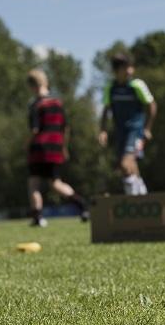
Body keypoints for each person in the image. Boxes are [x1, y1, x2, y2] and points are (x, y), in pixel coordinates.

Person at [26, 68, 89, 227]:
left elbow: (34, 130)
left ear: (32, 85)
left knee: (34, 183)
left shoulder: (35, 105)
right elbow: (65, 128)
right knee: (56, 183)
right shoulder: (58, 103)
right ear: (46, 82)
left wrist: (26, 144)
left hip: (39, 148)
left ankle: (37, 217)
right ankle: (82, 204)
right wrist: (63, 148)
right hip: (55, 147)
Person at [98, 52, 157, 195]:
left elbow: (152, 105)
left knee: (125, 165)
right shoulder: (110, 88)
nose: (130, 71)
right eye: (126, 67)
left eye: (131, 67)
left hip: (136, 131)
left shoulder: (137, 85)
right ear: (116, 70)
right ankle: (142, 194)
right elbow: (106, 110)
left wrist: (147, 128)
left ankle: (132, 199)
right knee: (130, 166)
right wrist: (102, 130)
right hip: (120, 132)